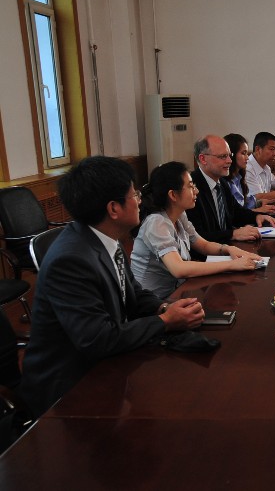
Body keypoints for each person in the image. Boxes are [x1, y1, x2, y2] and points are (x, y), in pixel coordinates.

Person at [18, 156, 205, 419]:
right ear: (114, 209)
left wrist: (165, 306)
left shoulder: (105, 237)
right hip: (68, 391)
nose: (140, 200)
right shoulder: (70, 260)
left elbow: (133, 293)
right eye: (134, 195)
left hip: (104, 363)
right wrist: (165, 321)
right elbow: (98, 339)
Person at [131, 161, 265, 299]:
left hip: (178, 293)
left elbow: (203, 245)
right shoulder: (156, 222)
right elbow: (179, 269)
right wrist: (232, 265)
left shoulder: (180, 215)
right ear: (173, 195)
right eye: (190, 186)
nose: (196, 191)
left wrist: (229, 249)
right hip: (155, 302)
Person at [186, 135, 275, 244]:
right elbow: (196, 236)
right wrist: (232, 234)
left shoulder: (222, 183)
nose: (229, 161)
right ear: (203, 159)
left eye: (230, 155)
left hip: (225, 248)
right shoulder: (191, 188)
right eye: (223, 156)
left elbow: (236, 213)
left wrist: (257, 217)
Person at [223, 133, 275, 213]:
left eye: (247, 153)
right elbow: (234, 214)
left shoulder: (238, 177)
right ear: (231, 154)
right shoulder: (225, 182)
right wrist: (257, 211)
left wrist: (259, 203)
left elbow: (243, 204)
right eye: (243, 153)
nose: (247, 158)